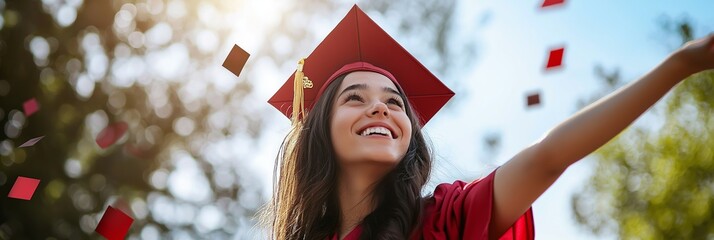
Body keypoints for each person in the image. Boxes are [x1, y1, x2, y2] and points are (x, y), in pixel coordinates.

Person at [225, 5, 714, 240]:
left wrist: (680, 64)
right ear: (318, 130)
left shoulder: (444, 221)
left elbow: (547, 158)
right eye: (355, 98)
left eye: (395, 103)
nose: (381, 109)